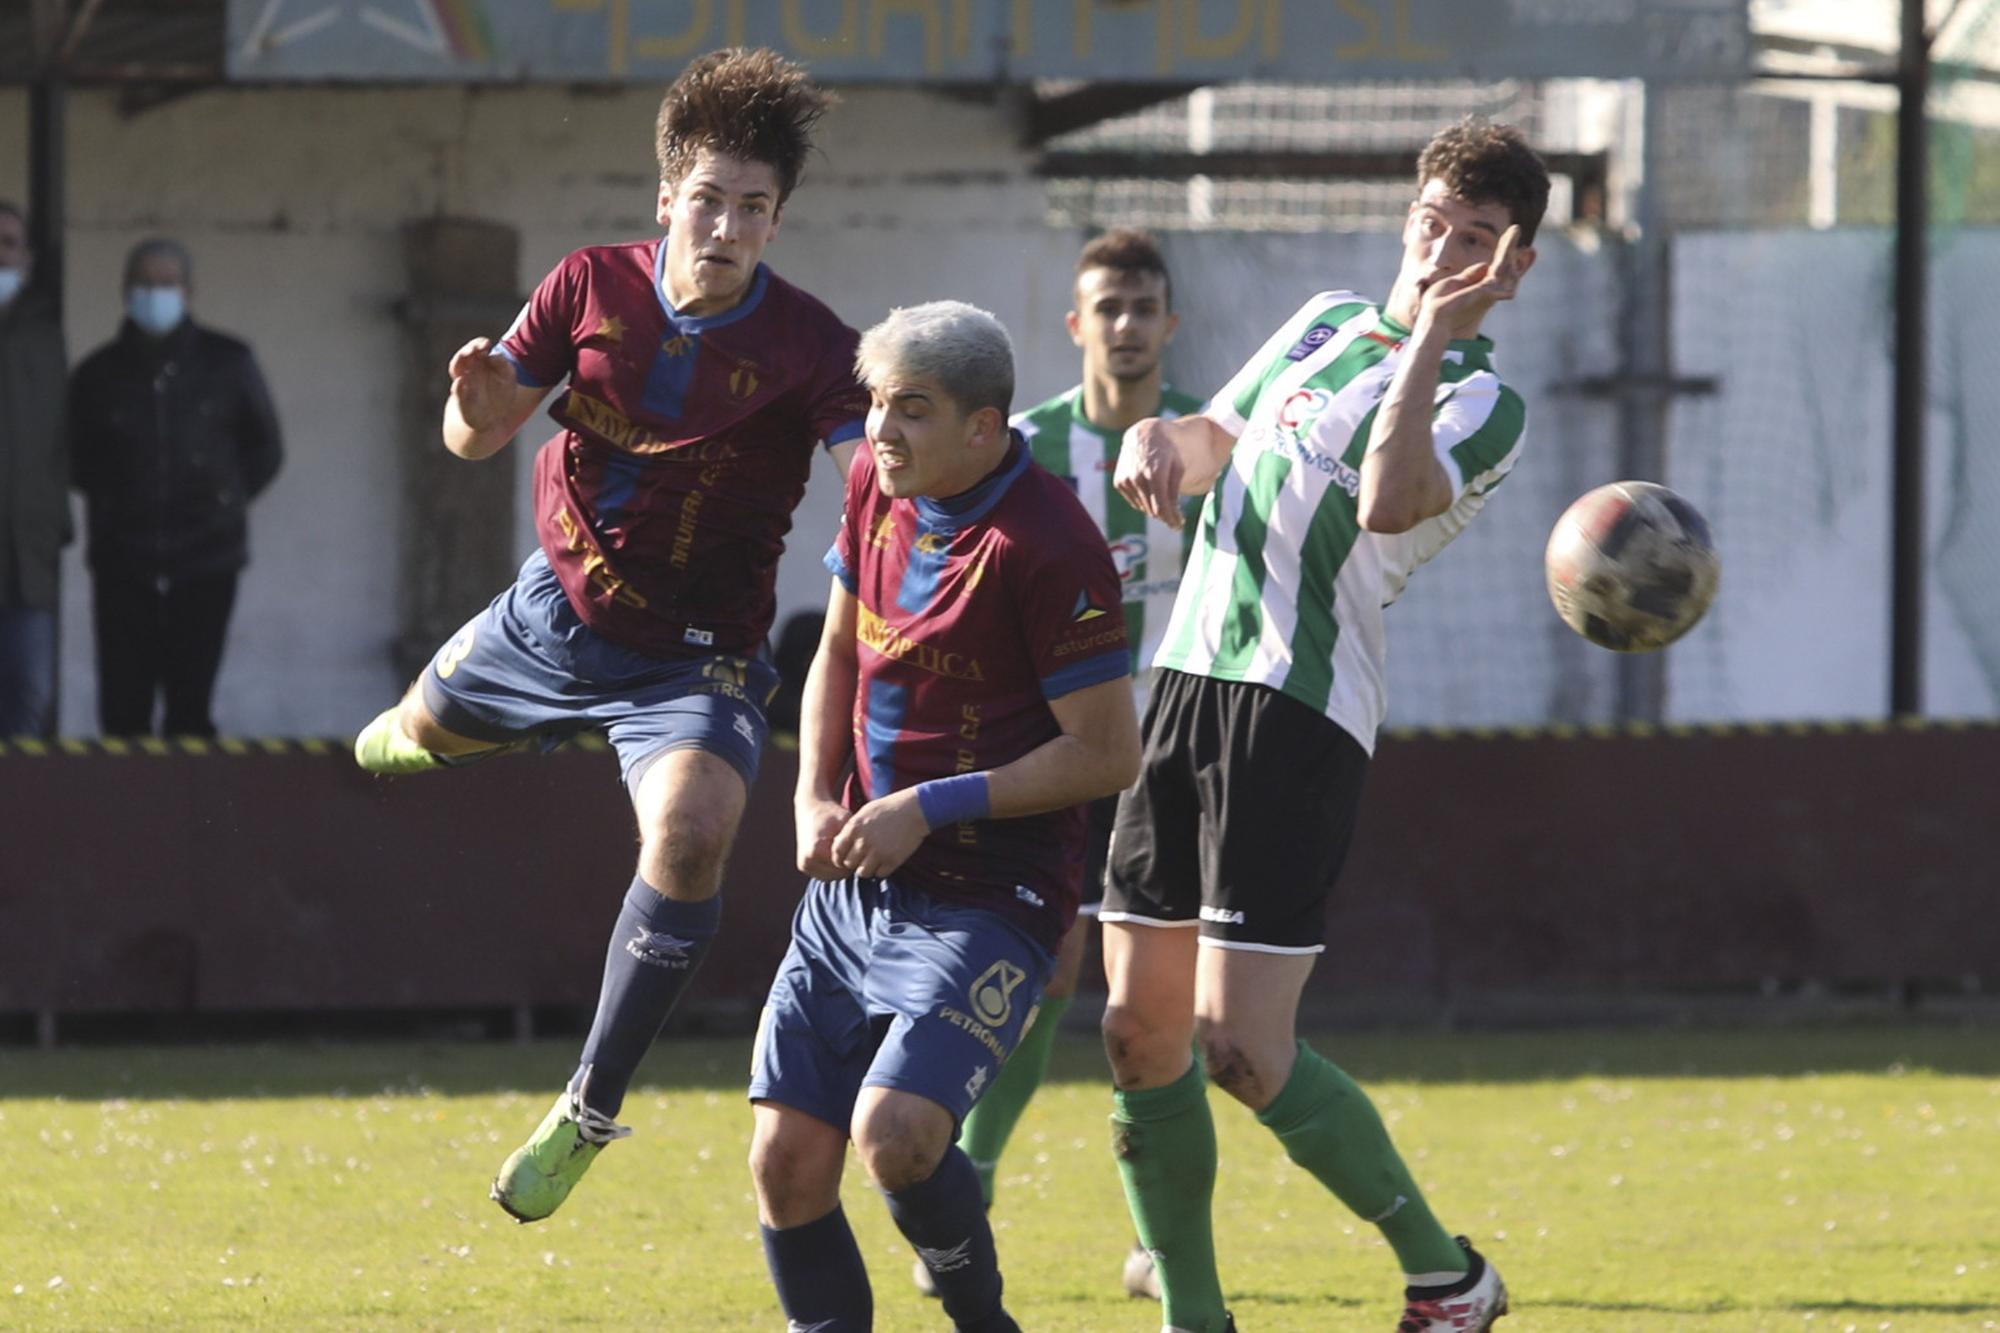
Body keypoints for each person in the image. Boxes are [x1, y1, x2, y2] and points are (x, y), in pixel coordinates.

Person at [350, 48, 868, 1225]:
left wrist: (901, 489)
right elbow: (473, 438)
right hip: (553, 616)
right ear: (665, 198)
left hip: (698, 659)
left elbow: (867, 473)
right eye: (708, 199)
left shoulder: (811, 347)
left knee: (692, 834)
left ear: (776, 223)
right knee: (402, 739)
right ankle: (437, 731)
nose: (726, 225)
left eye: (753, 208)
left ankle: (587, 1105)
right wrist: (475, 404)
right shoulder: (587, 284)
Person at [1101, 116, 1548, 1333]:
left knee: (1238, 1050)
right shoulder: (1319, 317)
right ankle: (1193, 1315)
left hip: (1296, 718)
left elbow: (1396, 494)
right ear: (1407, 214)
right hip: (1181, 687)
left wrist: (1431, 341)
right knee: (1137, 1032)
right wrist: (1157, 437)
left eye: (1474, 241)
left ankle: (1447, 1272)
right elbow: (1215, 442)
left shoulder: (1484, 402)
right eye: (1431, 223)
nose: (1439, 251)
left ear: (1510, 268)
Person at [748, 301, 1141, 1333]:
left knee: (896, 1134)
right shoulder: (879, 489)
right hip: (860, 877)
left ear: (985, 424)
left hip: (992, 889)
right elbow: (837, 650)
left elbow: (1106, 753)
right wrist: (808, 793)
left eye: (911, 410)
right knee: (785, 1162)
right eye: (875, 403)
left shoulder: (1049, 542)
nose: (880, 431)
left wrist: (927, 804)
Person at [928, 227, 1201, 1301]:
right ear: (1075, 324)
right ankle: (974, 1178)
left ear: (1167, 325)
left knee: (1171, 1007)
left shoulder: (1207, 443)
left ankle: (1158, 1245)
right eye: (1109, 307)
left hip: (1183, 748)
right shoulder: (1024, 447)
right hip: (1056, 749)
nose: (1127, 326)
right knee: (1045, 973)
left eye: (1145, 308)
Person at [69, 237, 284, 738]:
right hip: (123, 563)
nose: (154, 293)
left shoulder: (229, 362)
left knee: (190, 712)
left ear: (188, 291)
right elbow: (74, 459)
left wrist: (222, 501)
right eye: (144, 282)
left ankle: (189, 817)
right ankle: (126, 816)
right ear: (125, 289)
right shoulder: (97, 374)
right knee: (123, 713)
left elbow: (266, 449)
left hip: (207, 562)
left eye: (166, 283)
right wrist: (117, 503)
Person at [0, 201, 69, 739]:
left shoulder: (45, 337)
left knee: (28, 696)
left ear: (27, 257)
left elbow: (66, 442)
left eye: (7, 244)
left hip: (27, 562)